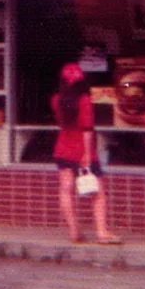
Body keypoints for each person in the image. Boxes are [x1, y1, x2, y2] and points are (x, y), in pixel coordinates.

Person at [51, 62, 121, 245]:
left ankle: (74, 232)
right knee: (98, 193)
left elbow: (61, 123)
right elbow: (87, 129)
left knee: (66, 190)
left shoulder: (56, 99)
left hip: (63, 148)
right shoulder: (84, 100)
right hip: (82, 149)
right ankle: (102, 233)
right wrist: (88, 155)